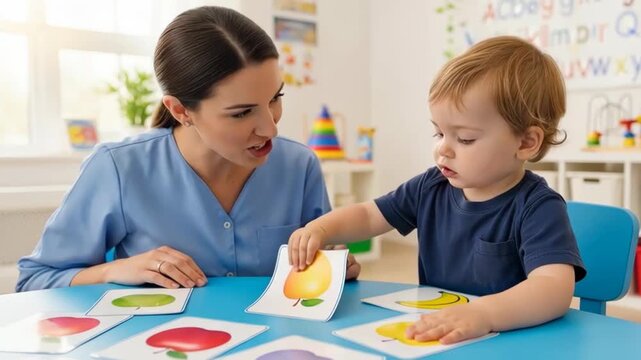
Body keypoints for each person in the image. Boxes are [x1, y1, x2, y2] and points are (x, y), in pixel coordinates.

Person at [17, 6, 360, 292]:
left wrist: (335, 267)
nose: (271, 127)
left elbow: (320, 270)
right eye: (241, 113)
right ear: (181, 110)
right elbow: (35, 281)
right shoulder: (118, 168)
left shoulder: (299, 166)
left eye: (275, 98)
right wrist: (114, 270)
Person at [288, 36, 586, 345]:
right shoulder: (431, 186)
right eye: (439, 132)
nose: (443, 148)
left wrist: (484, 313)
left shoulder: (538, 206)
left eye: (465, 138)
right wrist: (322, 229)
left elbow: (554, 288)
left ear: (526, 142)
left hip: (511, 342)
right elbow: (368, 215)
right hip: (442, 339)